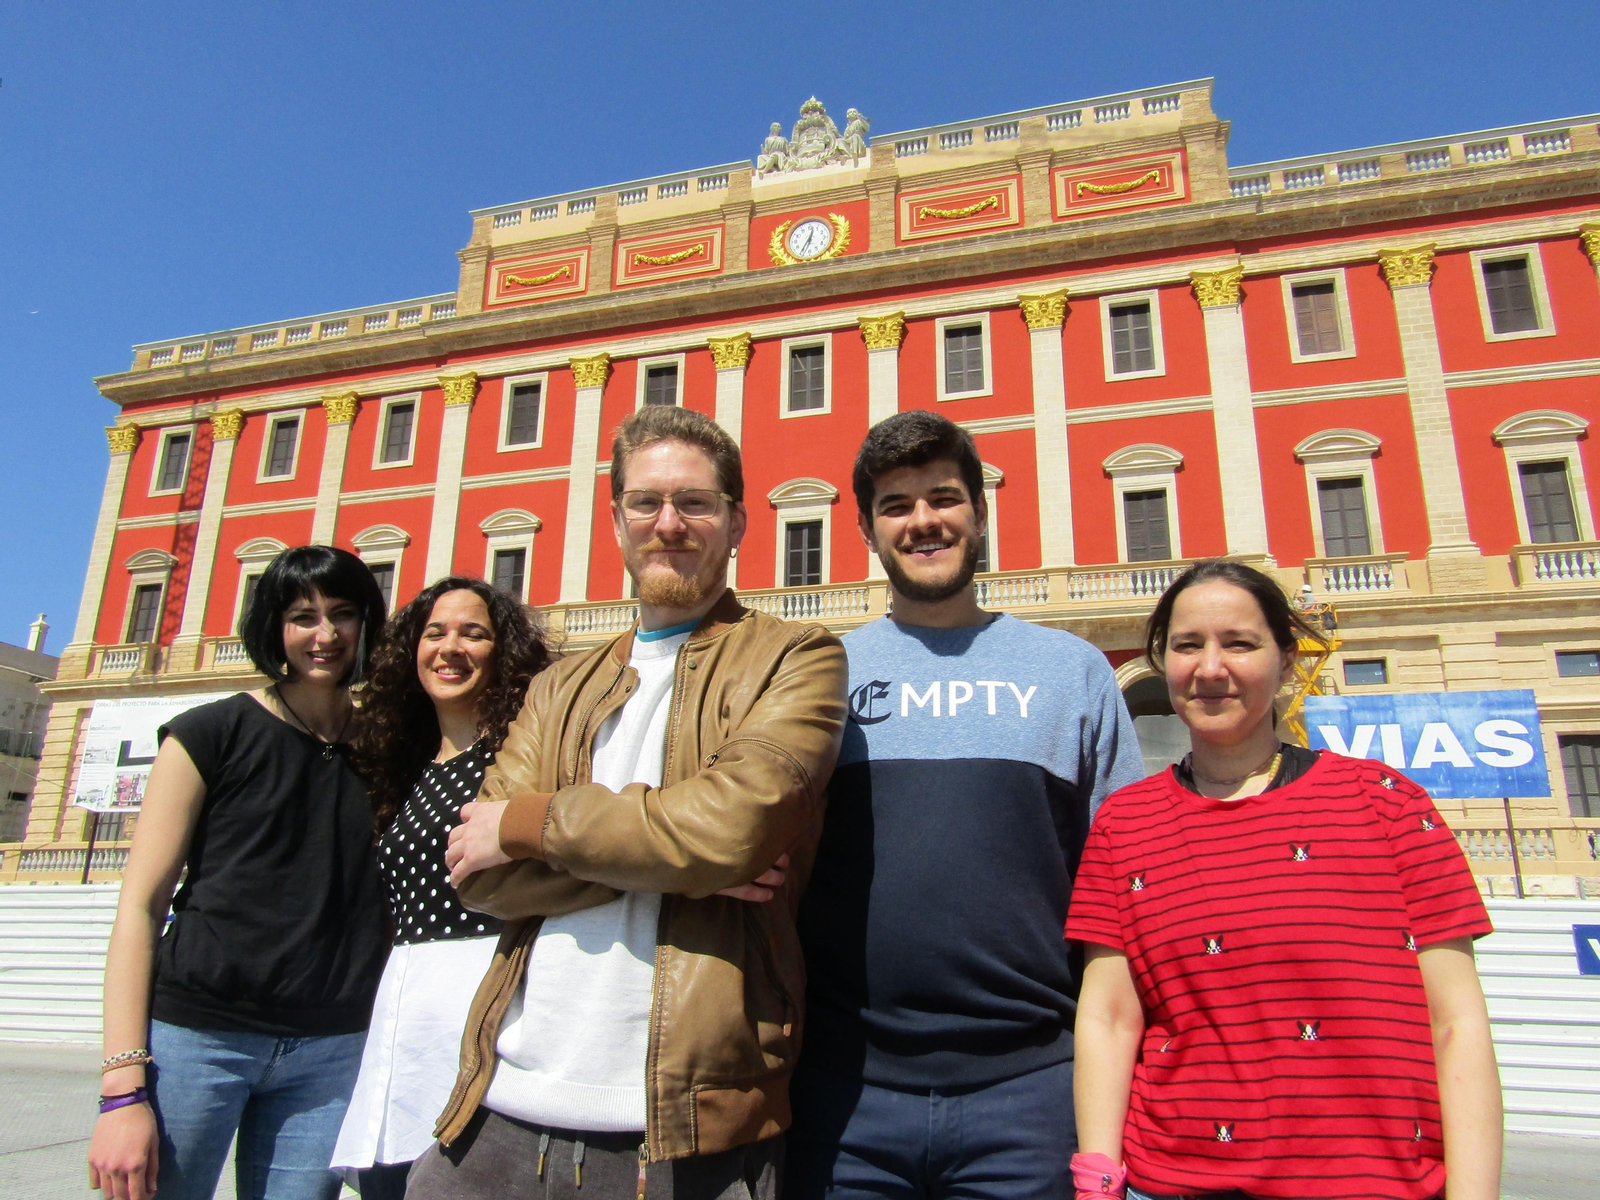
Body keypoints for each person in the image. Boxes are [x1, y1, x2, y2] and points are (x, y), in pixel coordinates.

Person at [411, 404, 849, 1200]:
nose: (668, 523)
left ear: (738, 522)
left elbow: (733, 831)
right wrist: (680, 863)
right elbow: (479, 872)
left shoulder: (799, 656)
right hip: (495, 1112)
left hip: (689, 1130)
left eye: (695, 503)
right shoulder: (557, 685)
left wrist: (528, 824)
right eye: (645, 502)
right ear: (616, 521)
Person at [785, 410, 1145, 1200]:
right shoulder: (818, 678)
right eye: (896, 505)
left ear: (980, 512)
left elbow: (1125, 894)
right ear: (867, 530)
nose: (923, 521)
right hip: (844, 1098)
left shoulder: (1075, 673)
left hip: (1032, 1095)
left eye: (944, 498)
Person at [1067, 559, 1501, 1200]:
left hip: (1376, 1185)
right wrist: (1098, 1183)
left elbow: (1456, 1024)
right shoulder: (1124, 822)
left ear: (1286, 658)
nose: (1210, 668)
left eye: (1239, 643)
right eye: (1187, 645)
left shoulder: (1387, 803)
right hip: (1177, 1182)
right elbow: (1109, 1018)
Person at [87, 545, 390, 1200]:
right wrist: (122, 1088)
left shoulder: (388, 752)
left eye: (342, 614)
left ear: (366, 622)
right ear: (274, 627)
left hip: (331, 1051)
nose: (325, 634)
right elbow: (141, 906)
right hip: (198, 1037)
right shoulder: (207, 734)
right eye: (303, 617)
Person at [331, 576, 554, 1199]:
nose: (450, 648)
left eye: (473, 633)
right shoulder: (402, 767)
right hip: (405, 1011)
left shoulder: (519, 759)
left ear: (503, 653)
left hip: (487, 1000)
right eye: (435, 633)